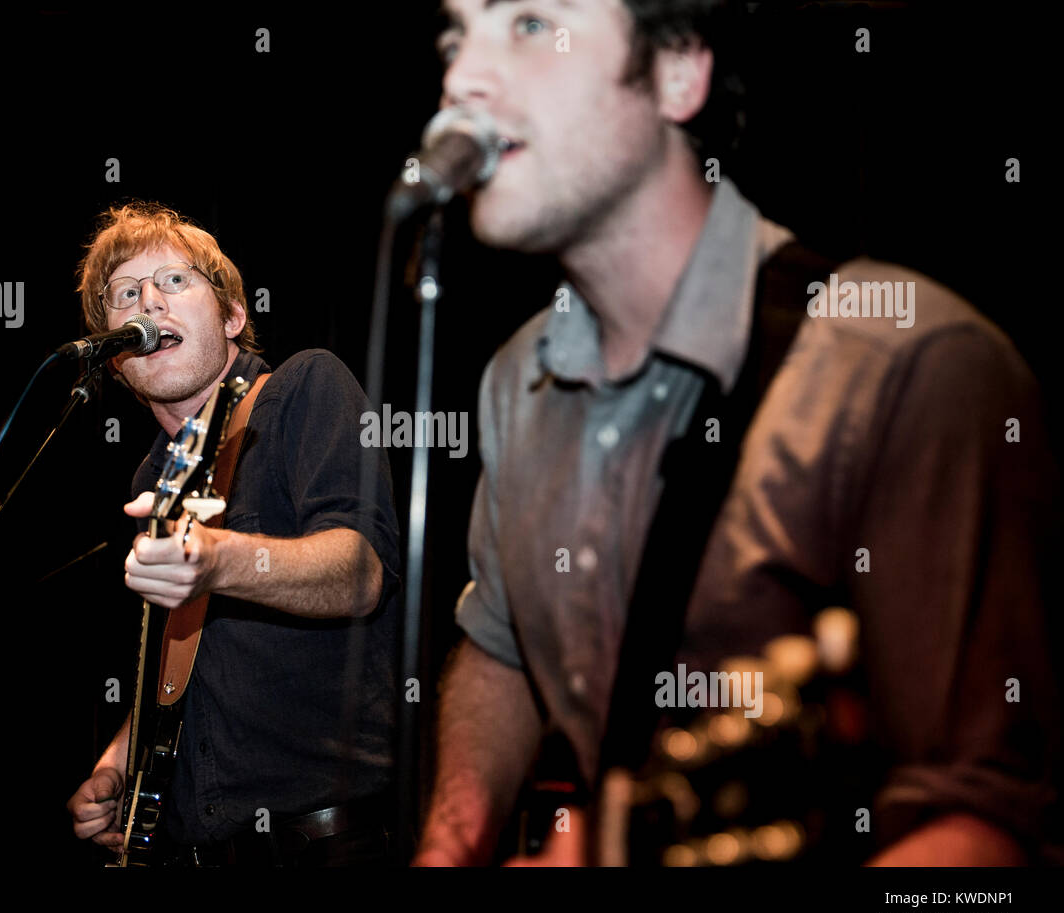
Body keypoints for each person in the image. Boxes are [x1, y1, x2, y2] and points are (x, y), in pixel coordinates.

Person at [414, 0, 1059, 866]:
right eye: (456, 37)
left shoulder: (910, 366)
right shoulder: (513, 381)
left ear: (679, 70)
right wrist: (451, 849)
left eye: (531, 23)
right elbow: (501, 646)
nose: (461, 78)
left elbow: (985, 829)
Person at [65, 203, 402, 866]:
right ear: (114, 361)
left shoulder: (303, 388)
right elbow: (185, 656)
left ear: (232, 317)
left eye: (174, 282)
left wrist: (222, 560)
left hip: (323, 845)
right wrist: (120, 759)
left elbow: (363, 573)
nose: (149, 302)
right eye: (127, 295)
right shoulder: (151, 474)